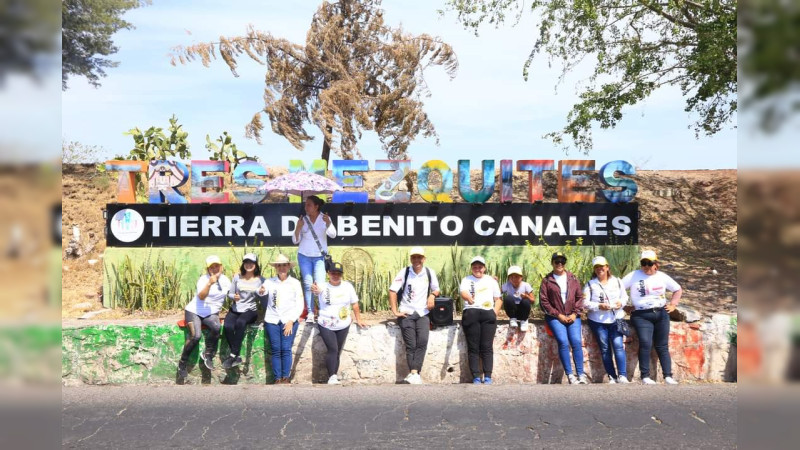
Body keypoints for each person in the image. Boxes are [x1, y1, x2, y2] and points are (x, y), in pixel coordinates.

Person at [622, 250, 683, 385]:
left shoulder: (662, 276)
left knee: (662, 345)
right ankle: (645, 376)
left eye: (649, 263)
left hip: (661, 313)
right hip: (641, 315)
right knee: (645, 343)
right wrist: (624, 306)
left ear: (656, 264)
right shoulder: (634, 276)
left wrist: (673, 304)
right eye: (643, 263)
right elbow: (618, 288)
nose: (646, 267)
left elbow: (677, 289)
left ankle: (668, 376)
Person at [389, 246, 441, 384]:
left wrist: (432, 295)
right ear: (411, 259)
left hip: (423, 313)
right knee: (411, 344)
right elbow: (392, 290)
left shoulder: (429, 272)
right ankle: (414, 373)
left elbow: (437, 290)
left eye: (419, 257)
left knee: (422, 341)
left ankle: (414, 373)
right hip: (407, 312)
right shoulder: (405, 272)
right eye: (414, 257)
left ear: (424, 259)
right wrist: (395, 311)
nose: (416, 260)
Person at [177, 255, 231, 381]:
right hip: (194, 311)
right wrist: (209, 284)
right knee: (196, 335)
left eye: (217, 266)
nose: (215, 269)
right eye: (211, 267)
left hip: (211, 313)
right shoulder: (203, 279)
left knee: (217, 327)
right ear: (208, 269)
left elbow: (232, 295)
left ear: (221, 267)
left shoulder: (226, 280)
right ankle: (182, 363)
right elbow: (201, 297)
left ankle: (208, 355)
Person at [311, 262, 366, 385]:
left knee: (337, 350)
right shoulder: (321, 286)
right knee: (333, 348)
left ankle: (333, 376)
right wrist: (313, 290)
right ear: (328, 273)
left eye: (338, 273)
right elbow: (313, 291)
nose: (335, 275)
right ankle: (332, 376)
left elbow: (355, 304)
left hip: (343, 324)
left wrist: (359, 319)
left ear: (341, 275)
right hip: (326, 323)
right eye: (332, 273)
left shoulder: (348, 287)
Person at [539, 251, 588, 384]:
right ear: (552, 263)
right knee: (563, 342)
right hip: (555, 317)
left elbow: (579, 298)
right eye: (557, 261)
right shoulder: (547, 280)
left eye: (562, 261)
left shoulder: (573, 278)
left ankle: (581, 374)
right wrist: (558, 315)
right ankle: (570, 375)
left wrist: (574, 313)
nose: (559, 264)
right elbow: (544, 301)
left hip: (573, 316)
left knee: (576, 342)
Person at [583, 256, 630, 384]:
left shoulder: (618, 281)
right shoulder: (590, 284)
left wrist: (621, 303)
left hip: (616, 318)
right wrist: (598, 306)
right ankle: (612, 376)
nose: (600, 269)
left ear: (607, 267)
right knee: (605, 348)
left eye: (602, 267)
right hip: (598, 321)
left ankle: (622, 375)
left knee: (618, 346)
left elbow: (625, 297)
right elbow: (584, 303)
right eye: (597, 267)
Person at [260, 254, 304, 384]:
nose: (282, 268)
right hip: (272, 320)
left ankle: (286, 377)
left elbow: (299, 304)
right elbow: (261, 291)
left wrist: (291, 320)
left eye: (284, 265)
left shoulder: (295, 283)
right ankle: (277, 378)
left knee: (285, 348)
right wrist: (261, 291)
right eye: (279, 265)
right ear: (276, 268)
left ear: (288, 267)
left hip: (289, 320)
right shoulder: (269, 282)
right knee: (275, 349)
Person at [292, 195, 336, 323]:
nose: (306, 207)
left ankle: (323, 311)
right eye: (305, 205)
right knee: (307, 284)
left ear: (316, 206)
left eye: (309, 205)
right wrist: (298, 227)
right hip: (304, 255)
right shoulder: (303, 219)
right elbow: (295, 240)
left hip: (319, 257)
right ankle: (311, 312)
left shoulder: (324, 218)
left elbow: (333, 234)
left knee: (320, 284)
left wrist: (328, 223)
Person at [459, 256, 502, 385]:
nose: (477, 269)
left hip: (488, 313)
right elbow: (463, 293)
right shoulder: (466, 280)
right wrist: (469, 299)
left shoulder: (491, 281)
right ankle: (476, 376)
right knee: (473, 347)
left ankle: (488, 375)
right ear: (472, 268)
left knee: (487, 346)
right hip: (471, 311)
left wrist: (494, 312)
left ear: (484, 268)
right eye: (475, 266)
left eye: (480, 266)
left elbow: (498, 299)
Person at [222, 253, 265, 370]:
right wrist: (233, 297)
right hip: (236, 308)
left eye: (251, 262)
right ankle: (237, 356)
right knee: (228, 326)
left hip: (250, 310)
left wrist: (262, 293)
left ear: (255, 265)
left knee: (240, 323)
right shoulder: (237, 277)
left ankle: (232, 355)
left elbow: (265, 295)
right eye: (246, 262)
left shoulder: (261, 280)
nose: (248, 264)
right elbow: (230, 293)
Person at [501, 265, 535, 332]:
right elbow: (497, 293)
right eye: (511, 277)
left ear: (521, 277)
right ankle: (512, 319)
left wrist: (526, 296)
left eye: (516, 276)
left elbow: (533, 300)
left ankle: (524, 321)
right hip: (512, 311)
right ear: (508, 278)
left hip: (523, 310)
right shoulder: (507, 285)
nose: (514, 279)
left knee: (525, 301)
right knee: (508, 298)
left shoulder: (526, 285)